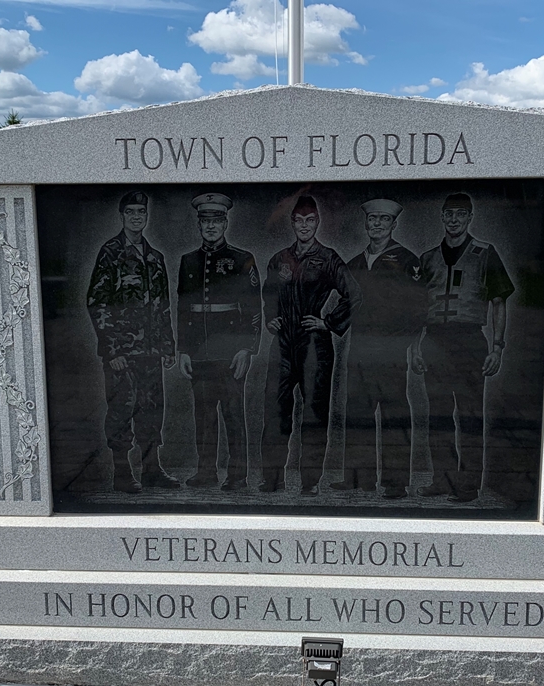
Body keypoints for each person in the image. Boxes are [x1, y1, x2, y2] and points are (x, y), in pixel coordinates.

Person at [413, 193, 514, 502]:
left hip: (469, 340)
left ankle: (468, 484)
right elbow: (416, 307)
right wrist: (416, 347)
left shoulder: (485, 253)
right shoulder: (429, 258)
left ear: (470, 218)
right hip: (435, 340)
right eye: (449, 214)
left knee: (469, 416)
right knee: (439, 416)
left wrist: (497, 347)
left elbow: (498, 302)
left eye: (460, 214)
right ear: (442, 218)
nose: (454, 220)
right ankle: (443, 479)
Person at [260, 195, 359, 496]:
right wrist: (271, 320)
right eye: (299, 220)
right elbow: (268, 293)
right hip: (283, 345)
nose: (304, 226)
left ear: (317, 222)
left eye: (310, 220)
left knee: (314, 414)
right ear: (292, 223)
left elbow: (354, 294)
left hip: (314, 346)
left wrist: (328, 322)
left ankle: (310, 482)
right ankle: (272, 478)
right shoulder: (279, 259)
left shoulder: (328, 258)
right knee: (276, 412)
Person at [87, 190, 180, 494]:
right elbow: (97, 302)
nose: (137, 217)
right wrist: (112, 349)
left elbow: (163, 306)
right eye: (131, 212)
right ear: (122, 216)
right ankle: (123, 473)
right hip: (123, 353)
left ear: (147, 216)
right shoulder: (111, 252)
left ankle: (152, 470)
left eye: (141, 212)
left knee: (152, 412)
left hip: (151, 352)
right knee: (121, 411)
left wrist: (168, 346)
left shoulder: (155, 258)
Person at [333, 199, 425, 499]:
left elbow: (418, 310)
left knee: (394, 416)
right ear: (366, 223)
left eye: (384, 220)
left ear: (393, 225)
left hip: (390, 352)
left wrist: (404, 345)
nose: (377, 224)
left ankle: (396, 483)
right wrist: (326, 323)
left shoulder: (407, 260)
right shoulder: (355, 264)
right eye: (372, 219)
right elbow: (346, 304)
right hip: (359, 349)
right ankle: (358, 479)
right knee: (357, 414)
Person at [176, 193, 262, 491]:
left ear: (225, 223)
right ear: (199, 225)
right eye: (205, 221)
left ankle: (237, 476)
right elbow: (183, 308)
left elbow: (254, 307)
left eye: (216, 221)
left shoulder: (242, 259)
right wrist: (183, 350)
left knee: (233, 414)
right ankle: (206, 473)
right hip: (199, 351)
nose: (210, 226)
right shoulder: (188, 261)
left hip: (230, 351)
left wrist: (247, 348)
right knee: (203, 416)